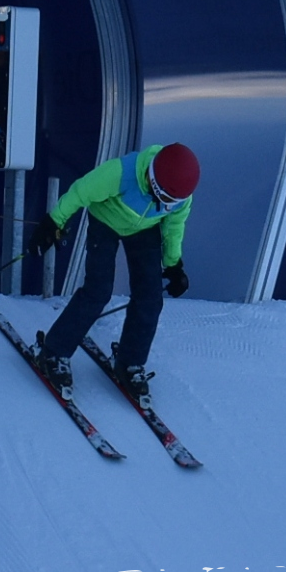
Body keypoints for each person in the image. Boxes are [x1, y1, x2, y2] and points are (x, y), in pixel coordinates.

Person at [27, 143, 199, 401]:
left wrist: (173, 265)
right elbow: (80, 192)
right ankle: (53, 353)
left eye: (171, 202)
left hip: (144, 230)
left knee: (151, 298)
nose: (165, 205)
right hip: (105, 221)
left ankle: (130, 362)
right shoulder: (121, 173)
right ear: (152, 180)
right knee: (98, 291)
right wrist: (53, 222)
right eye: (162, 198)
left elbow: (174, 228)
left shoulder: (180, 199)